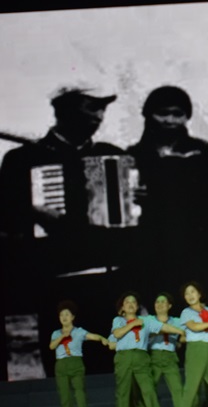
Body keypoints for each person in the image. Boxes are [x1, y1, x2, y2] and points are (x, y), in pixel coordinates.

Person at [0, 86, 128, 377]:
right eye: (91, 107)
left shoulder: (111, 155)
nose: (99, 116)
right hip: (55, 280)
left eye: (102, 108)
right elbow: (6, 217)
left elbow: (130, 224)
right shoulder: (23, 159)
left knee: (112, 368)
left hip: (108, 278)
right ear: (64, 110)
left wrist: (140, 198)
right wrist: (33, 211)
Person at [127, 86, 208, 299]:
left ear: (187, 117)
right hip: (155, 248)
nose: (170, 120)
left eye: (178, 114)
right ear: (148, 115)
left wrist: (167, 192)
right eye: (163, 113)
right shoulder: (133, 156)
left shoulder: (203, 151)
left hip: (202, 245)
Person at [111, 292, 184, 407]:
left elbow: (163, 327)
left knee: (148, 389)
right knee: (123, 392)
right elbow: (117, 334)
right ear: (123, 307)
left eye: (133, 302)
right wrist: (132, 324)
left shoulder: (146, 321)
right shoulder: (118, 320)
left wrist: (180, 331)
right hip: (124, 357)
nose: (130, 304)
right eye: (127, 302)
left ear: (137, 306)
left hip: (141, 356)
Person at [49, 300, 109, 407]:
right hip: (61, 365)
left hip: (76, 363)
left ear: (72, 317)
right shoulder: (56, 333)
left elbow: (91, 336)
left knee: (80, 395)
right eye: (61, 315)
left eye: (67, 314)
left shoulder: (79, 331)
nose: (64, 317)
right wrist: (62, 336)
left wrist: (101, 338)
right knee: (65, 398)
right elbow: (51, 346)